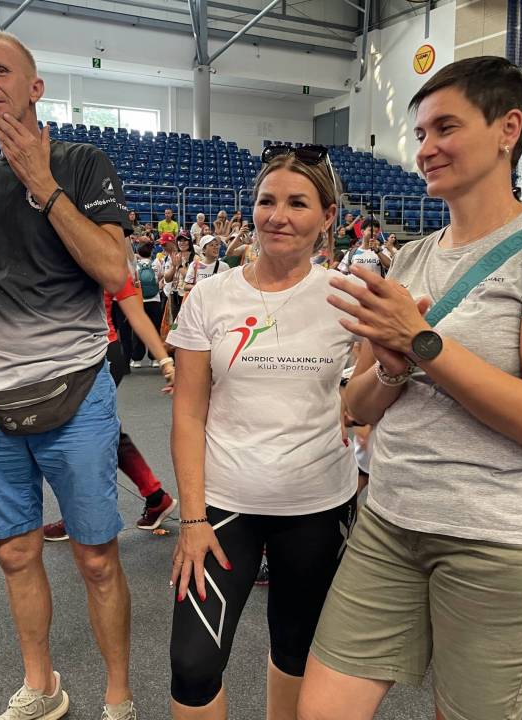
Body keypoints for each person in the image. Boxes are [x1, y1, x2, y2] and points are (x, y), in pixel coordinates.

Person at [298, 56, 522, 720]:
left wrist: (422, 343)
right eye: (420, 133)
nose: (425, 148)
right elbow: (355, 407)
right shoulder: (412, 257)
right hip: (390, 522)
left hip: (499, 541)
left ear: (508, 129)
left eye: (445, 127)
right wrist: (392, 365)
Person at [0, 26, 137, 720]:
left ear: (34, 87)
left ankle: (118, 696)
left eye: (0, 70)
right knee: (16, 556)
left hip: (76, 391)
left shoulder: (82, 163)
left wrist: (45, 186)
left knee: (97, 559)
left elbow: (114, 270)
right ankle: (42, 687)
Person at [167, 142, 358, 720]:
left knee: (297, 650)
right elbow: (188, 414)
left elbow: (370, 397)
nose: (278, 216)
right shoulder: (211, 295)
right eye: (267, 200)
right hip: (224, 507)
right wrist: (191, 519)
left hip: (317, 506)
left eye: (298, 203)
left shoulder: (347, 297)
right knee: (193, 665)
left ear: (327, 217)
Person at [44, 275, 178, 541]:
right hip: (85, 355)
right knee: (105, 432)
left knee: (78, 437)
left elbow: (135, 311)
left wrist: (165, 361)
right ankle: (155, 496)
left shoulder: (101, 261)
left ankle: (80, 516)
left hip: (92, 356)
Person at [130, 243, 164, 368]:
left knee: (138, 329)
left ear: (138, 253)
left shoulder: (135, 266)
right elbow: (161, 277)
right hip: (155, 300)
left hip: (140, 301)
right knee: (155, 329)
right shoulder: (157, 263)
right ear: (151, 253)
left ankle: (137, 359)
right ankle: (154, 358)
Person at [164, 233, 194, 317]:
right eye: (180, 241)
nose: (182, 243)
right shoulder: (173, 256)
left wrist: (180, 266)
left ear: (190, 242)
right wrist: (174, 267)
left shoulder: (196, 258)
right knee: (175, 322)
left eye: (185, 240)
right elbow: (167, 279)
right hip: (175, 295)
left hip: (189, 296)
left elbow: (191, 279)